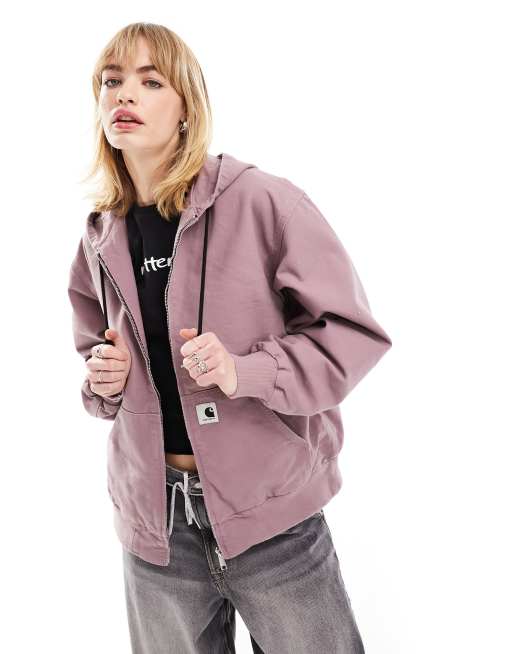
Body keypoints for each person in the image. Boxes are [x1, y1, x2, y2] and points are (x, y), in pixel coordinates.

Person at [68, 22, 392, 654]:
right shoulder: (100, 235)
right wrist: (103, 379)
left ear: (187, 107)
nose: (123, 94)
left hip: (271, 520)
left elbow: (351, 334)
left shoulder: (263, 201)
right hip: (157, 529)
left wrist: (246, 370)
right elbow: (94, 358)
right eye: (111, 81)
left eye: (150, 82)